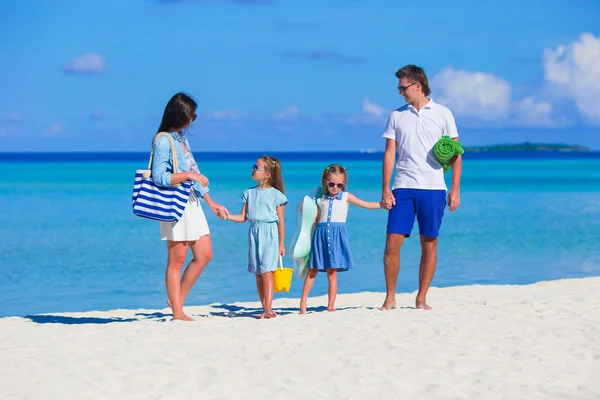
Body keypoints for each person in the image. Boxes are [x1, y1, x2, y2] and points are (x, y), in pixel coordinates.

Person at [379, 65, 463, 311]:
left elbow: (457, 154)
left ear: (418, 85)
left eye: (402, 87)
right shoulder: (396, 115)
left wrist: (455, 189)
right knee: (392, 244)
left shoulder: (443, 113)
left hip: (434, 188)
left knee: (429, 243)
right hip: (402, 187)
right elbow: (390, 154)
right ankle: (390, 297)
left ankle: (421, 298)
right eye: (399, 88)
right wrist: (385, 188)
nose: (400, 92)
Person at [151, 92, 229, 321]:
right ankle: (177, 311)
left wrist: (210, 201)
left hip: (193, 202)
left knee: (205, 254)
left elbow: (194, 170)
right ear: (181, 114)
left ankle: (176, 300)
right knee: (177, 260)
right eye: (191, 115)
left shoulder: (182, 138)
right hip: (176, 204)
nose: (193, 119)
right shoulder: (163, 140)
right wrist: (186, 175)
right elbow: (159, 178)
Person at [299, 164, 383, 314]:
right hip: (320, 237)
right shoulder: (320, 198)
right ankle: (303, 303)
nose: (335, 187)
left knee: (332, 272)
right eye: (332, 184)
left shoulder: (346, 197)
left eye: (339, 185)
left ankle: (331, 305)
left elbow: (366, 204)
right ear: (325, 181)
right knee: (312, 270)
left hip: (337, 237)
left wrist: (382, 205)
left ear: (344, 184)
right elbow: (309, 215)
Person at [218, 156, 287, 319]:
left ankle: (269, 308)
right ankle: (264, 307)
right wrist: (227, 216)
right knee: (257, 272)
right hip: (254, 233)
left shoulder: (276, 195)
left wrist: (282, 243)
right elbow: (243, 217)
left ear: (267, 174)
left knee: (267, 271)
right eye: (253, 166)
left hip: (269, 234)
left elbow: (281, 221)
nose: (253, 169)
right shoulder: (248, 193)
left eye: (257, 167)